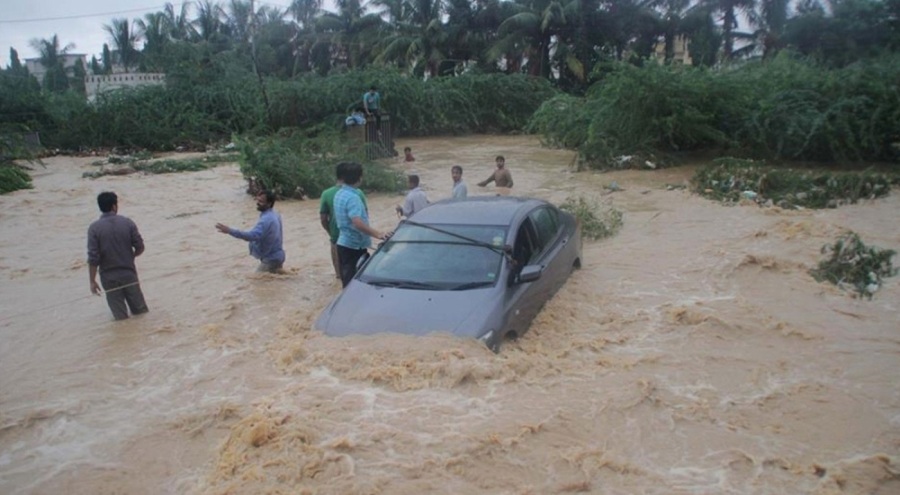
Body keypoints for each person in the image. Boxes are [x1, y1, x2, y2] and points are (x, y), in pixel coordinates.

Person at [87, 191, 149, 321]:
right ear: (114, 206)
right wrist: (130, 257)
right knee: (141, 313)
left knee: (121, 319)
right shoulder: (127, 223)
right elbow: (140, 247)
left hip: (109, 278)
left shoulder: (94, 228)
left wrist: (92, 281)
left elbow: (93, 258)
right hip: (129, 273)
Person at [335, 162, 389, 287]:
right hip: (355, 246)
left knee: (347, 281)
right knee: (354, 284)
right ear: (358, 178)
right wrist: (379, 234)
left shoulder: (339, 194)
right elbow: (357, 222)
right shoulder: (353, 197)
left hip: (343, 243)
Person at [216, 190, 285, 273]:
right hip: (278, 256)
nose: (257, 203)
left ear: (269, 203)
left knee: (257, 283)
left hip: (270, 259)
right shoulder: (275, 214)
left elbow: (251, 236)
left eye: (261, 201)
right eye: (257, 200)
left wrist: (230, 231)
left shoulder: (266, 220)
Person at [320, 163, 368, 279]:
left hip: (337, 238)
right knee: (359, 275)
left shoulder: (326, 194)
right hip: (356, 241)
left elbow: (323, 219)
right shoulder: (358, 193)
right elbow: (364, 216)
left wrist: (330, 232)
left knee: (340, 276)